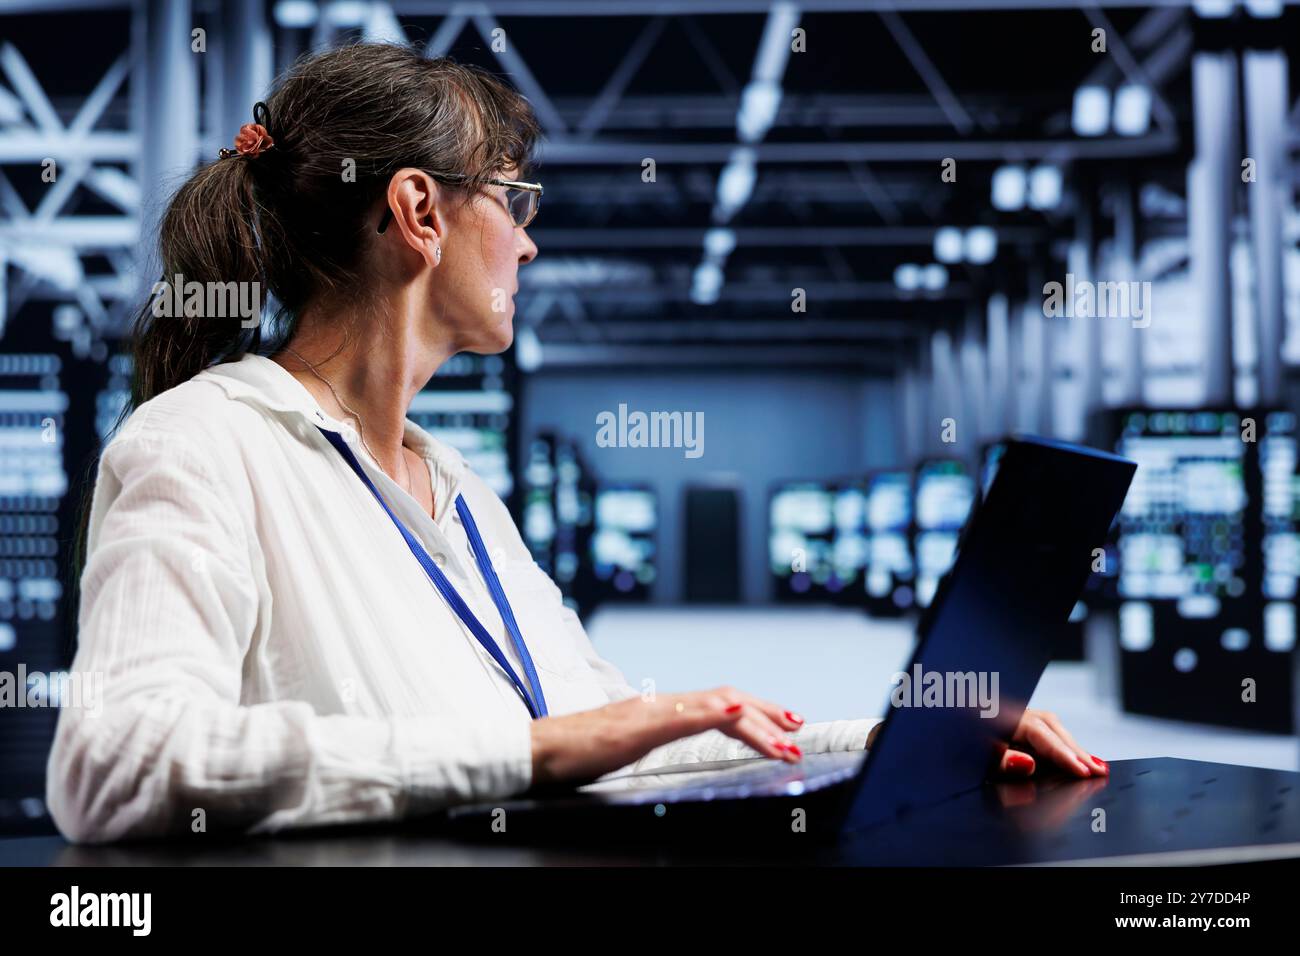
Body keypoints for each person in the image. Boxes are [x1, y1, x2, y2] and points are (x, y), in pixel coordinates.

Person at [47, 43, 1107, 845]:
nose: (530, 236)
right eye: (513, 198)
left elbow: (605, 732)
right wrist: (528, 751)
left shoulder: (456, 489)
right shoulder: (201, 444)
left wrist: (886, 743)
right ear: (417, 209)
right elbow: (116, 763)